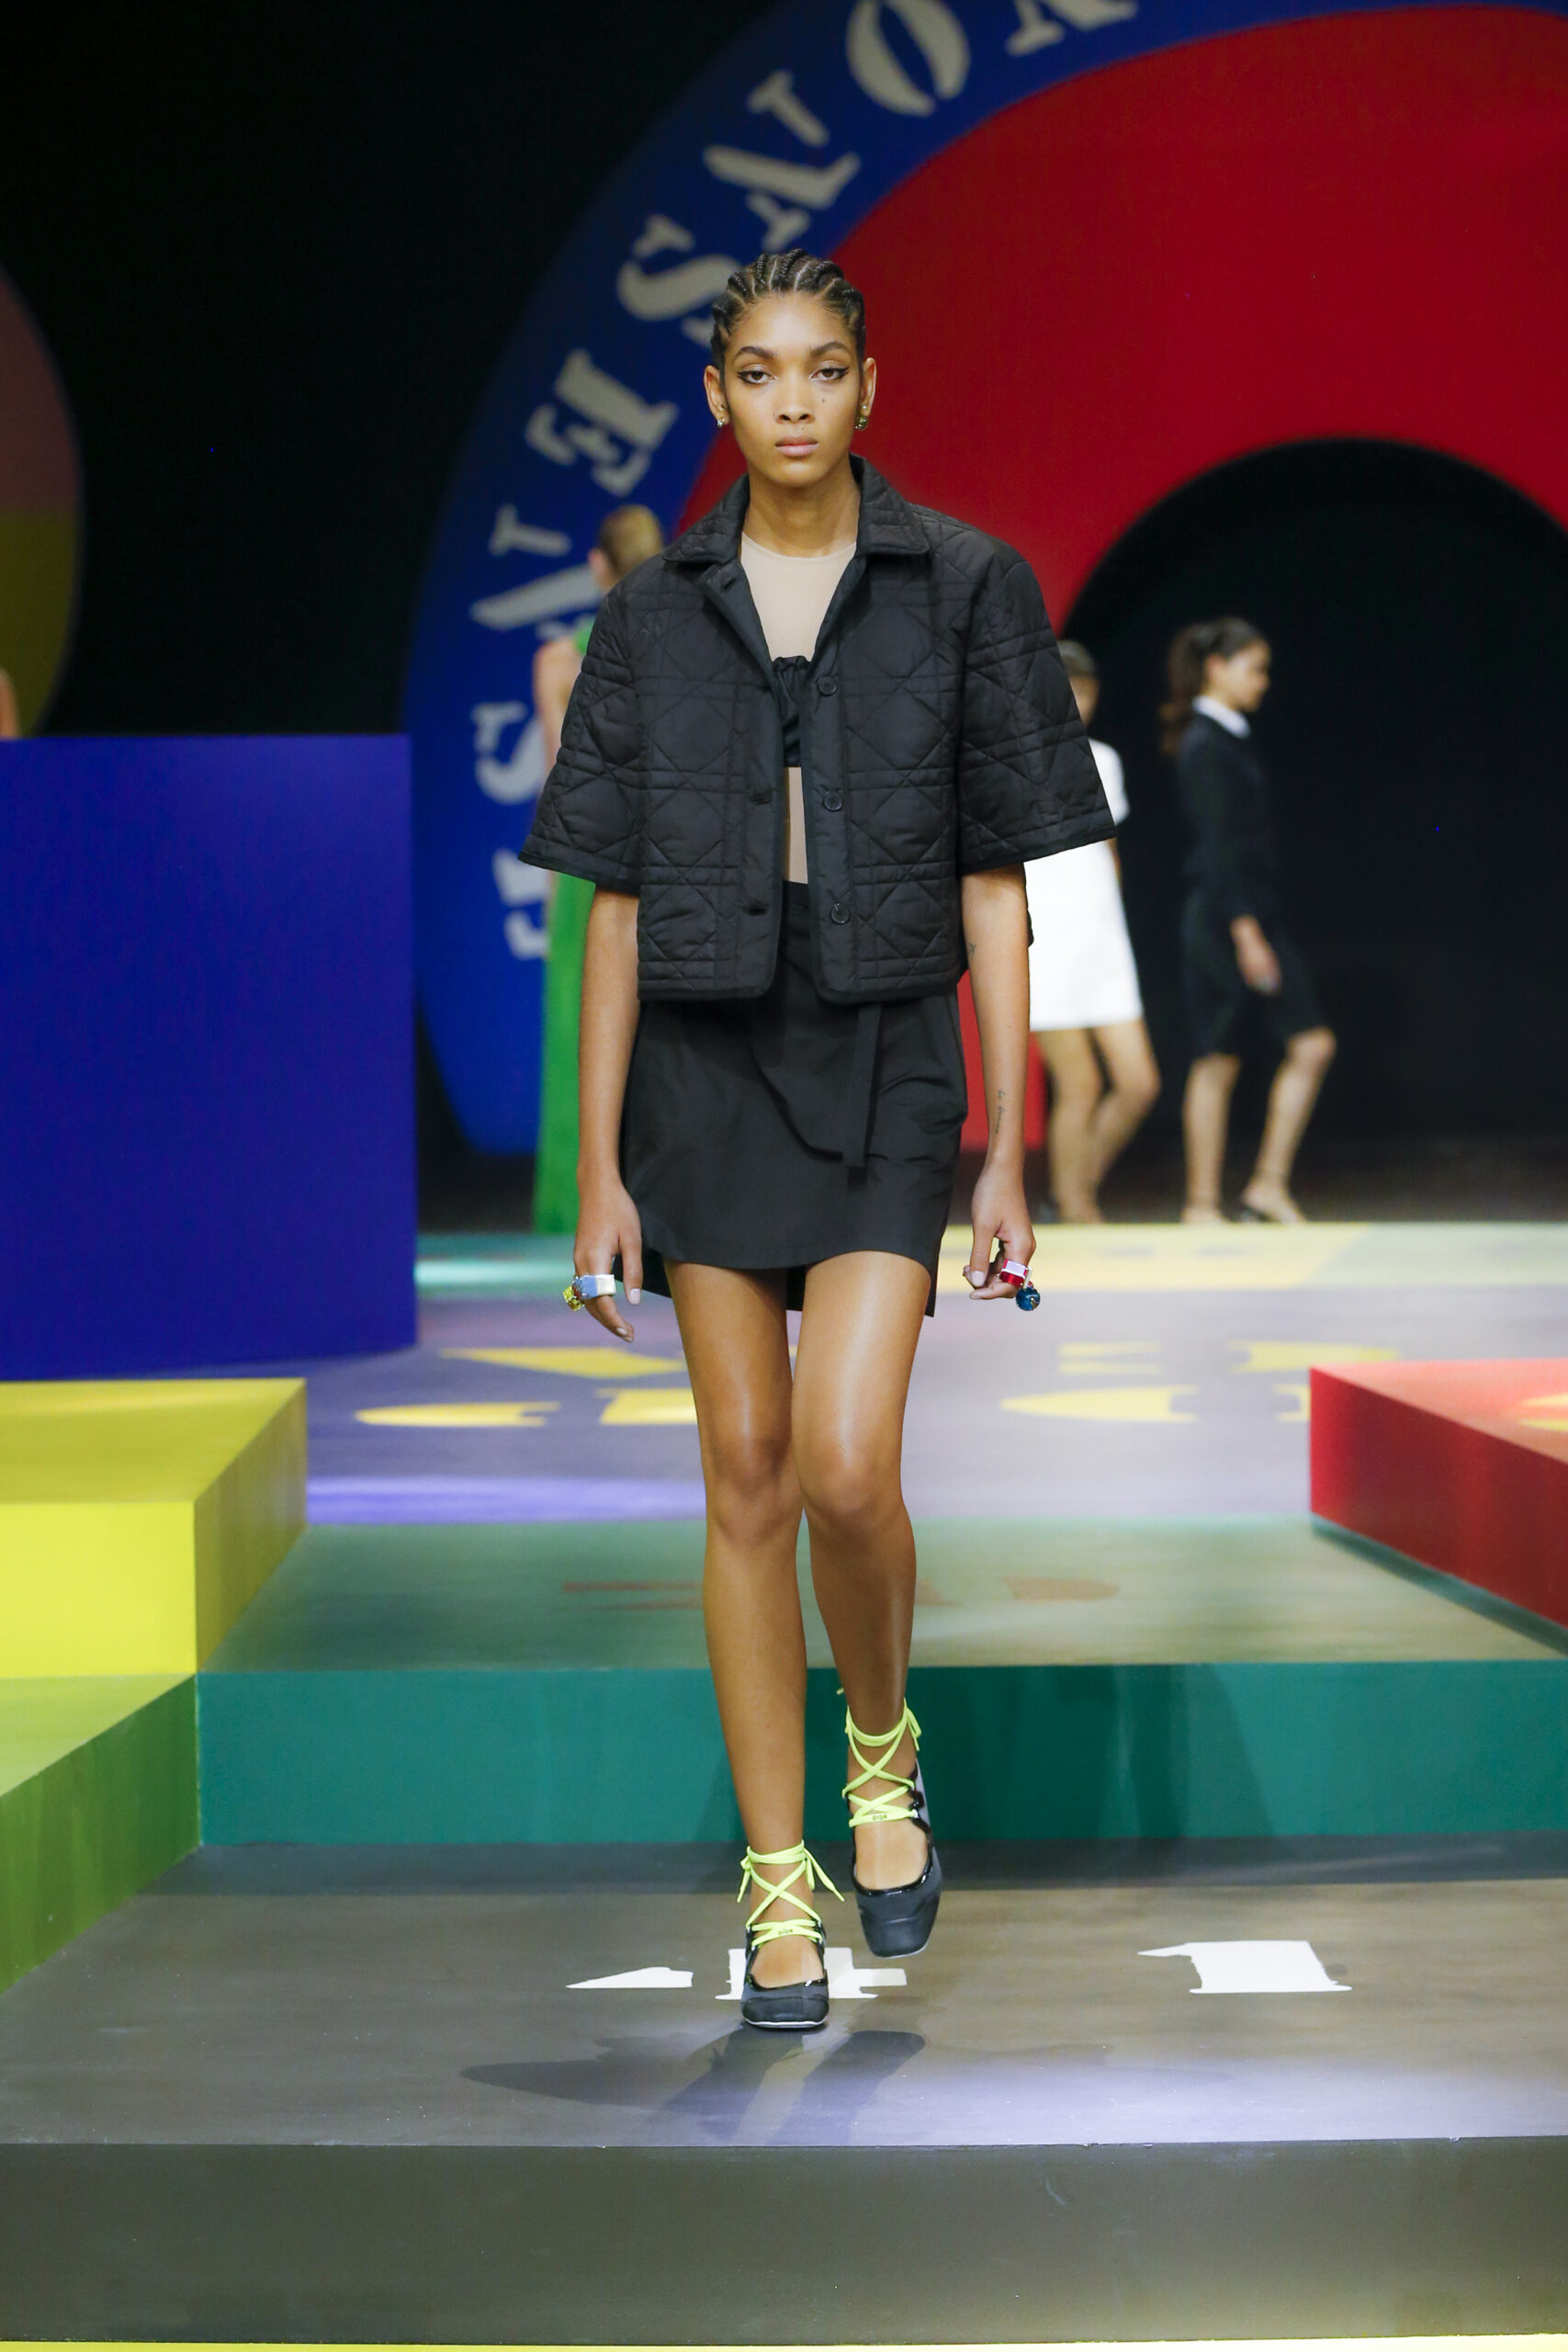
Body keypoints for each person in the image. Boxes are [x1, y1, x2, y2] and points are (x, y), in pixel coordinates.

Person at [524, 249, 1109, 2029]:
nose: (792, 399)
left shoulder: (966, 586)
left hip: (882, 1057)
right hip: (702, 1066)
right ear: (717, 398)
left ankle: (879, 1745)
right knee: (746, 1469)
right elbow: (616, 908)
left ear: (869, 387)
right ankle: (776, 1880)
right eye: (761, 371)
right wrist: (599, 1170)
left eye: (823, 368)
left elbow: (996, 885)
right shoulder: (650, 617)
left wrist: (1006, 1148)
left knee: (848, 1467)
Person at [1165, 618, 1336, 1223]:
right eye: (1254, 669)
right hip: (1225, 921)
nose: (1263, 682)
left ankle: (1265, 1185)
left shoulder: (1230, 737)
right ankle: (1200, 1203)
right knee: (1218, 1057)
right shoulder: (1204, 743)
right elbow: (1217, 847)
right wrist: (1245, 932)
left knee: (1309, 1044)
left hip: (1250, 916)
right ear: (1217, 668)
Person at [531, 505, 665, 1234]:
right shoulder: (679, 649)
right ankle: (658, 1198)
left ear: (595, 567)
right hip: (668, 856)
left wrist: (557, 889)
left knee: (581, 1029)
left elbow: (560, 782)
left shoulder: (559, 662)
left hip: (589, 861)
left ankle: (576, 1205)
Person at [1024, 641, 1158, 1221]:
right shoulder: (1012, 761)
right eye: (1068, 689)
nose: (1079, 701)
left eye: (1086, 690)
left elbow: (1107, 847)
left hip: (1101, 938)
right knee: (1078, 1084)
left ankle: (1071, 1192)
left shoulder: (1105, 759)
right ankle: (1077, 1206)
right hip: (1047, 939)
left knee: (1138, 1082)